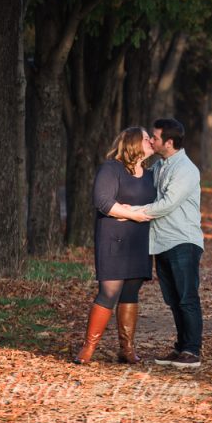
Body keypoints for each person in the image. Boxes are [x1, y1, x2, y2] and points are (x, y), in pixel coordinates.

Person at [73, 127, 154, 365]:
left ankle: (126, 349)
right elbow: (102, 201)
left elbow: (157, 205)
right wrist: (132, 214)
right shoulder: (111, 168)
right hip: (113, 238)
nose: (151, 141)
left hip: (139, 239)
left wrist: (133, 214)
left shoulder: (149, 174)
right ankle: (88, 348)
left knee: (131, 292)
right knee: (108, 292)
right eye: (146, 138)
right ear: (132, 142)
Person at [131, 118, 204, 370]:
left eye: (155, 137)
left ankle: (192, 351)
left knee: (187, 297)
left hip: (182, 240)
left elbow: (167, 204)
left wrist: (134, 212)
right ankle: (181, 347)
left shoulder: (185, 169)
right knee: (173, 299)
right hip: (161, 241)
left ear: (169, 142)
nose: (151, 140)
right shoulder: (161, 165)